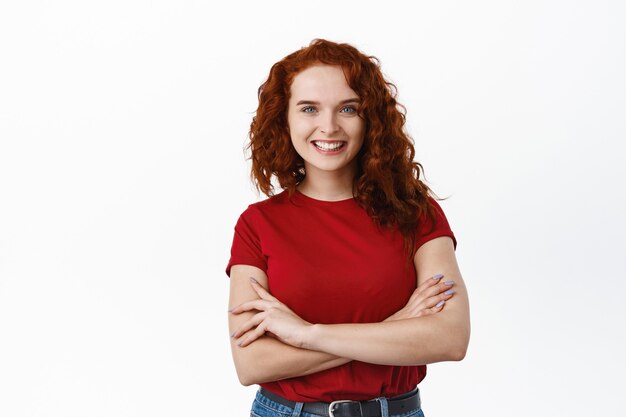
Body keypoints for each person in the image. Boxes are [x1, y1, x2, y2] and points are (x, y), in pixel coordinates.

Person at [225, 39, 470, 417]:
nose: (329, 126)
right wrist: (396, 327)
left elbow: (450, 338)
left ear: (370, 118)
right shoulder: (257, 225)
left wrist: (307, 334)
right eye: (309, 108)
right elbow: (254, 364)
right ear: (284, 118)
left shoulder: (416, 213)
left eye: (348, 109)